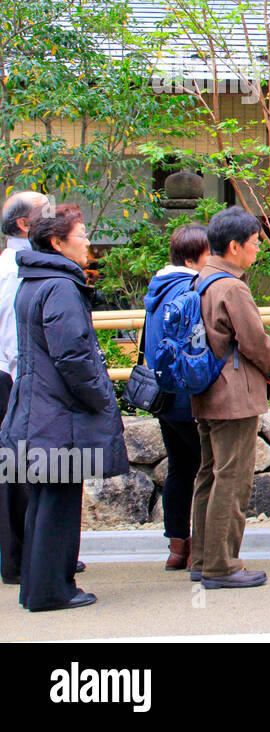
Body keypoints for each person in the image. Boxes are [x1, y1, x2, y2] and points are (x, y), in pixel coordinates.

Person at [0, 203, 129, 611]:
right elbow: (73, 355)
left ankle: (39, 589)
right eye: (81, 233)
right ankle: (52, 590)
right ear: (57, 242)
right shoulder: (60, 286)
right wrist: (99, 397)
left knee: (43, 501)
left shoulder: (34, 281)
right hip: (59, 413)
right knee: (58, 502)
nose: (88, 240)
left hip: (35, 408)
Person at [190, 206, 270, 589]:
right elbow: (255, 341)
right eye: (255, 242)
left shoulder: (200, 280)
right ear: (234, 246)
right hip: (234, 396)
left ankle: (202, 558)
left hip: (207, 392)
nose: (258, 249)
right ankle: (222, 565)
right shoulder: (231, 287)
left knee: (209, 475)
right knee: (232, 477)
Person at [141, 224, 211, 572]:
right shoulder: (191, 288)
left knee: (180, 469)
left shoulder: (157, 288)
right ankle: (203, 549)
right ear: (193, 256)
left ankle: (176, 546)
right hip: (190, 396)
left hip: (163, 397)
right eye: (208, 252)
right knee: (208, 470)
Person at [0, 190, 48, 587]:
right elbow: (15, 334)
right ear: (23, 224)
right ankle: (22, 559)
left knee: (20, 470)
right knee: (19, 473)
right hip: (13, 378)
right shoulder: (16, 267)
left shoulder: (16, 262)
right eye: (45, 212)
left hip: (14, 376)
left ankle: (30, 555)